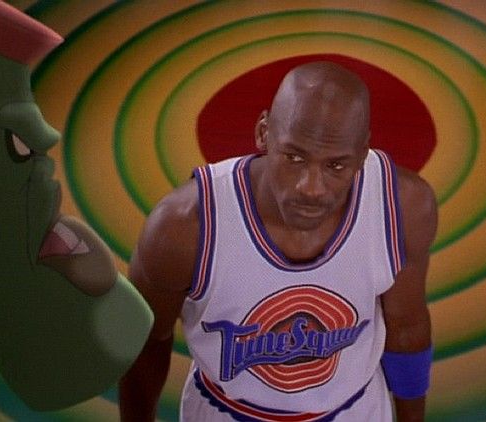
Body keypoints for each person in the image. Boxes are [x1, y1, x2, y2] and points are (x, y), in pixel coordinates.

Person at [120, 61, 437, 421]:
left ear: (363, 153)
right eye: (294, 157)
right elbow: (145, 341)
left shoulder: (402, 206)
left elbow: (406, 328)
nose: (311, 188)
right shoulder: (182, 226)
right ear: (263, 133)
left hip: (355, 409)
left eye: (336, 166)